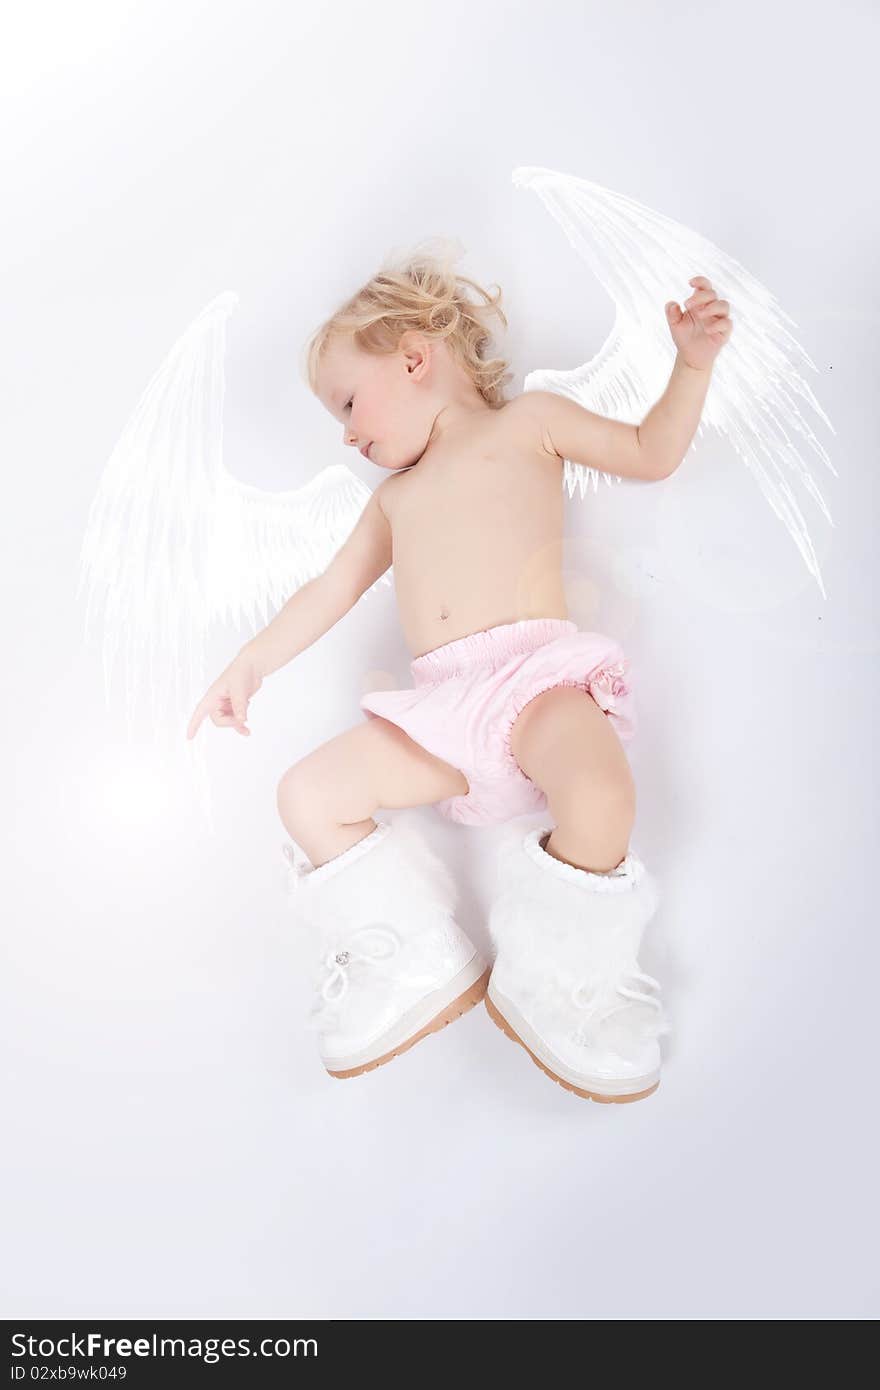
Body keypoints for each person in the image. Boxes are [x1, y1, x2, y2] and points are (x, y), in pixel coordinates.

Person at [186, 246, 732, 1102]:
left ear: (414, 356)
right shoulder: (392, 502)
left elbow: (648, 450)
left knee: (603, 796)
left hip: (535, 687)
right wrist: (251, 660)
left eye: (348, 402)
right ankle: (412, 960)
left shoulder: (529, 424)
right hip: (442, 715)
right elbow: (330, 590)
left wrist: (691, 365)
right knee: (305, 796)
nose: (346, 432)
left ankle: (562, 980)